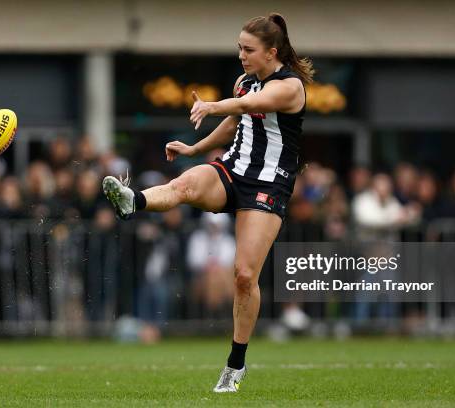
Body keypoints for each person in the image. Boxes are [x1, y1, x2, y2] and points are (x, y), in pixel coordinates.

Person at [102, 13, 313, 392]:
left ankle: (236, 365)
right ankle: (133, 200)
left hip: (269, 185)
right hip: (233, 169)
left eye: (249, 50)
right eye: (239, 48)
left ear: (272, 51)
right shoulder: (244, 81)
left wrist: (214, 105)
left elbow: (250, 106)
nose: (242, 56)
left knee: (245, 276)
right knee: (186, 183)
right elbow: (235, 123)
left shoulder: (290, 87)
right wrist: (195, 148)